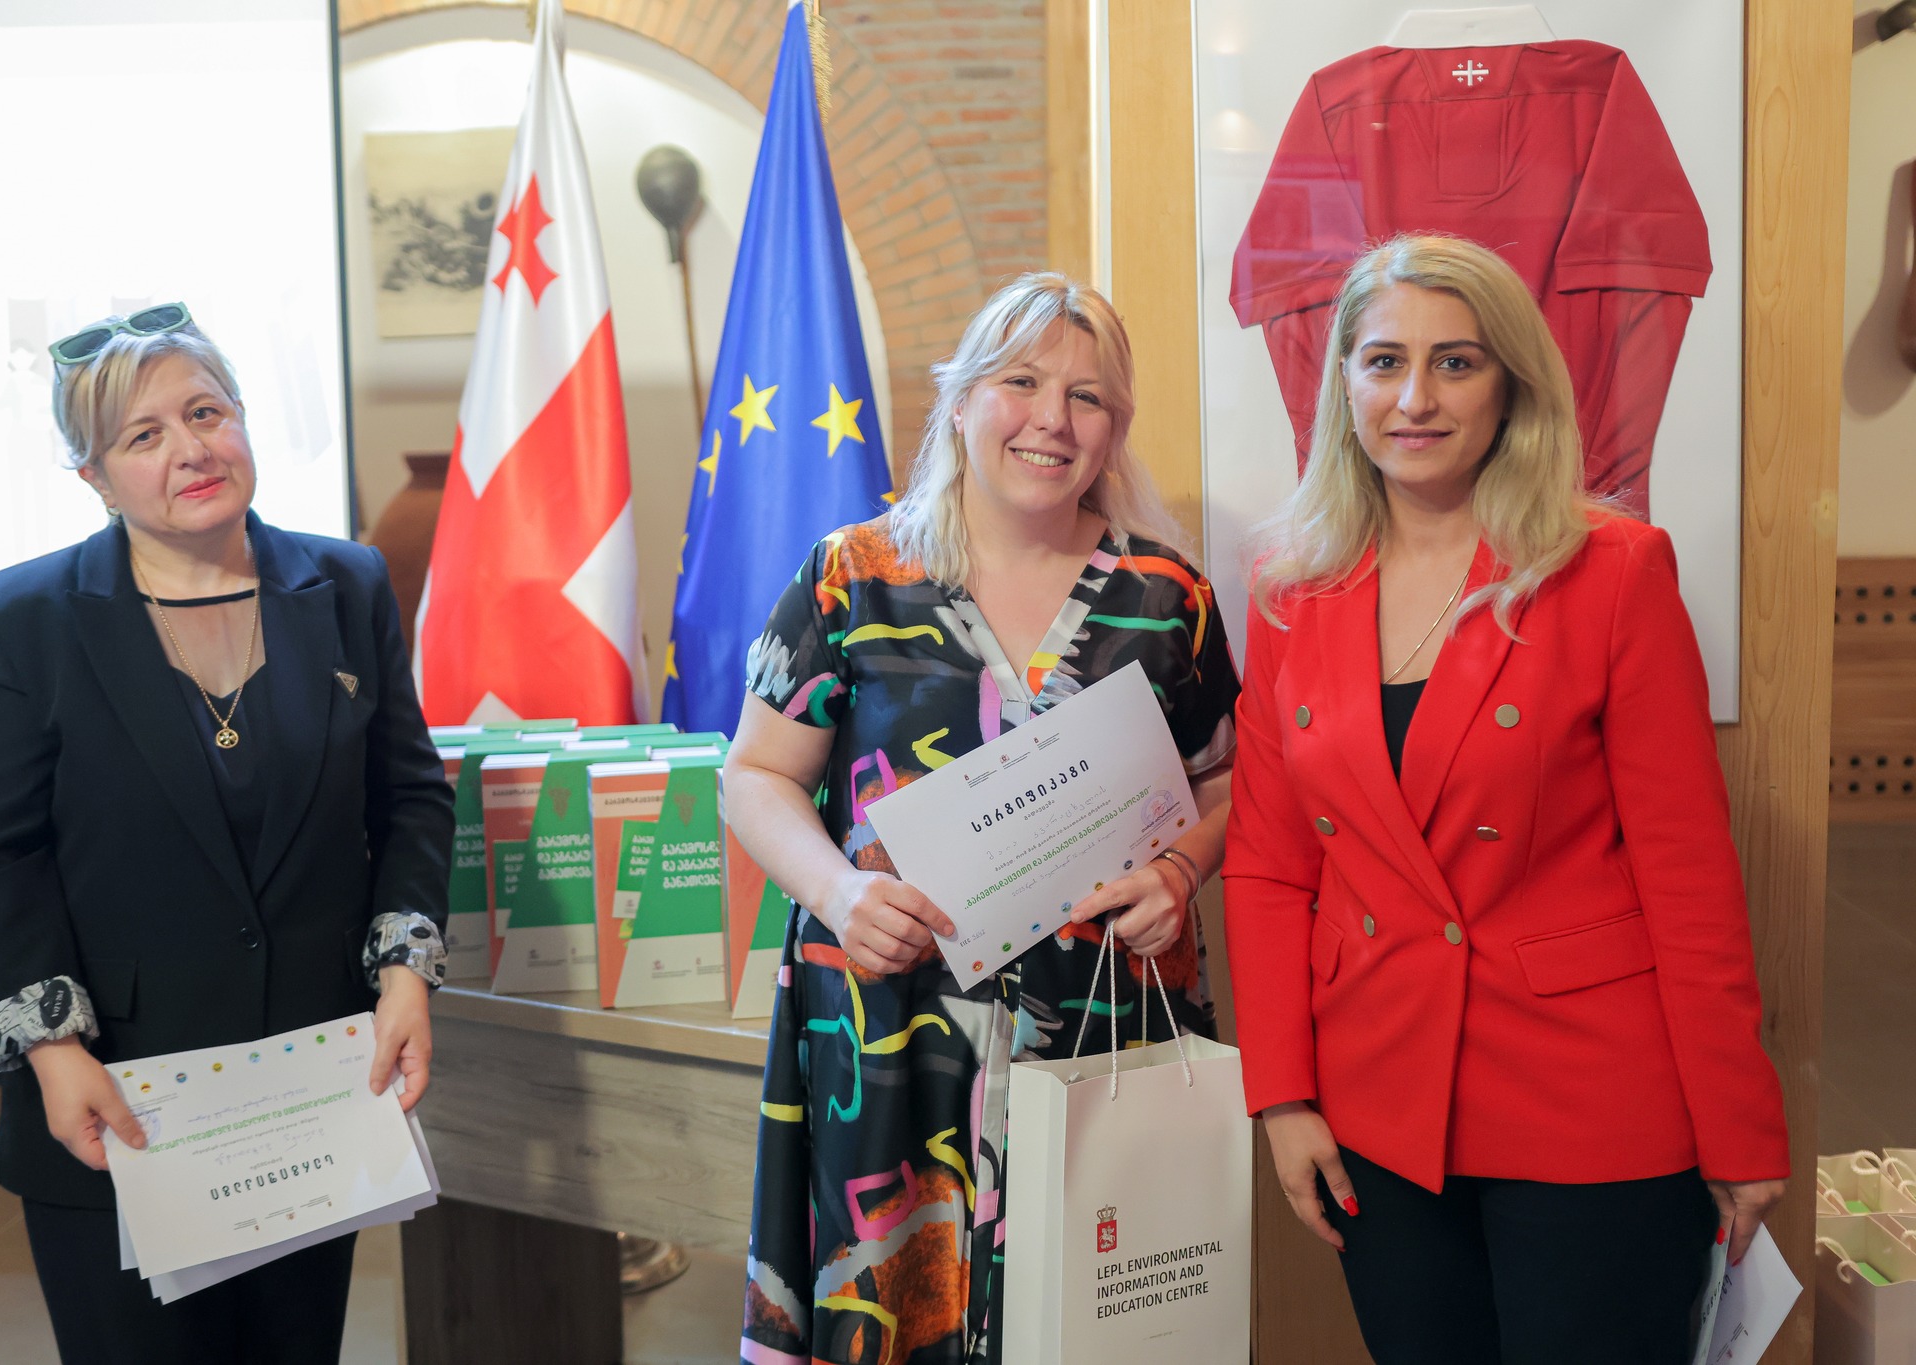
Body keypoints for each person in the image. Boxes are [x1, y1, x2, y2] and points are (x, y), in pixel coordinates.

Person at [1225, 234, 1788, 1364]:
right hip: (1378, 1112)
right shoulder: (1290, 589)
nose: (1415, 399)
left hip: (1589, 1104)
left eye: (1456, 362)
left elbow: (1685, 873)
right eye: (1384, 362)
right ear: (1342, 385)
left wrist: (1737, 1126)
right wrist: (1280, 1097)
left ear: (1511, 386)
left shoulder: (1611, 569)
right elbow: (1269, 865)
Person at [728, 273, 1240, 1364]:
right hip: (891, 1033)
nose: (1052, 419)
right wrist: (839, 892)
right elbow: (755, 776)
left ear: (1114, 428)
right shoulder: (851, 579)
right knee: (891, 1319)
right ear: (961, 400)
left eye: (1087, 397)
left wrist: (1182, 872)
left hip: (1102, 1034)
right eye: (1020, 383)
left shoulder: (1167, 599)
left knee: (1105, 1325)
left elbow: (1228, 786)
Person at [0, 304, 454, 1365]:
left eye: (207, 412)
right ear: (94, 476)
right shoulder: (25, 617)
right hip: (121, 1101)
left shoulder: (346, 584)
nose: (191, 449)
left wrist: (406, 975)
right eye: (144, 434)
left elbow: (408, 797)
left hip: (312, 1094)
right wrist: (53, 1049)